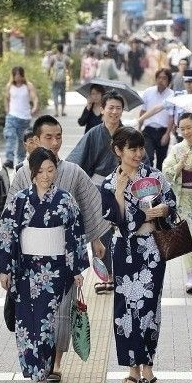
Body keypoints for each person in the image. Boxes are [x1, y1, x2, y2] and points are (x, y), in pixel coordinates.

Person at [7, 115, 107, 381]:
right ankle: (37, 366)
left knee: (61, 312)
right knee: (31, 317)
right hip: (29, 261)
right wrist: (6, 266)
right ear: (36, 140)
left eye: (59, 136)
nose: (55, 142)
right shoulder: (21, 175)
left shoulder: (72, 172)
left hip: (62, 258)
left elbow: (87, 206)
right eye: (48, 137)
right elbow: (9, 222)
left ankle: (55, 361)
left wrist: (96, 239)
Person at [0, 148, 88, 383]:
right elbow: (7, 233)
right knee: (26, 324)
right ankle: (36, 373)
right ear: (31, 172)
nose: (45, 175)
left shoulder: (65, 200)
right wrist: (4, 269)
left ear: (56, 171)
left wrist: (76, 269)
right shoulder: (20, 200)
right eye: (40, 171)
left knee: (45, 322)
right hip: (25, 270)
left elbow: (75, 236)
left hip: (54, 271)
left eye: (50, 170)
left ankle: (41, 375)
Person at [101, 126, 177, 383]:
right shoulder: (110, 183)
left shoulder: (154, 175)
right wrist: (121, 194)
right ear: (118, 150)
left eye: (140, 148)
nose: (138, 154)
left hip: (152, 249)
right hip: (125, 249)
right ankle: (133, 369)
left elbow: (171, 204)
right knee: (125, 308)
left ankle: (148, 367)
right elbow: (117, 220)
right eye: (132, 149)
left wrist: (164, 208)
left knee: (149, 305)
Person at [67, 91, 125, 294]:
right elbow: (76, 160)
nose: (114, 112)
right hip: (98, 190)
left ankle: (121, 273)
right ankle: (104, 276)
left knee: (124, 232)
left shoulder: (127, 134)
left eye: (118, 108)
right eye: (111, 107)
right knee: (101, 233)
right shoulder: (93, 133)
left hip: (124, 187)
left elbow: (140, 158)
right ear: (102, 109)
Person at [162, 113, 192, 293]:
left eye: (189, 127)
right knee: (188, 235)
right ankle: (191, 276)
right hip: (184, 198)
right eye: (181, 128)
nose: (185, 131)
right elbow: (165, 171)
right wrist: (179, 167)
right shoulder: (177, 149)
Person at [3, 66, 38, 169]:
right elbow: (6, 99)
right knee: (10, 136)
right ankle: (9, 159)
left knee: (22, 141)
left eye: (19, 76)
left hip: (24, 118)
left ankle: (20, 161)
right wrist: (7, 111)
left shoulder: (28, 86)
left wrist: (35, 107)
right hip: (12, 116)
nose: (17, 78)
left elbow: (34, 97)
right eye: (15, 76)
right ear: (13, 76)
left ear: (23, 76)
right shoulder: (9, 86)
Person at [139, 68, 174, 171]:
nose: (161, 80)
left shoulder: (172, 95)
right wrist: (139, 129)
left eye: (164, 78)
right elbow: (143, 111)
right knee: (147, 157)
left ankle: (159, 183)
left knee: (161, 161)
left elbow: (171, 116)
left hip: (163, 131)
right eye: (159, 78)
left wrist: (167, 134)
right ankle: (147, 181)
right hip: (148, 130)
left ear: (168, 80)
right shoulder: (148, 92)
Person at [49, 43, 70, 117]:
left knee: (55, 95)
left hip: (55, 79)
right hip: (63, 79)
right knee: (63, 95)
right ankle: (63, 111)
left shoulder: (53, 58)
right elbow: (68, 68)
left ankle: (56, 112)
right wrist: (69, 76)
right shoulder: (66, 58)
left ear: (57, 49)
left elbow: (49, 67)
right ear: (63, 49)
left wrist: (49, 75)